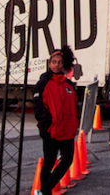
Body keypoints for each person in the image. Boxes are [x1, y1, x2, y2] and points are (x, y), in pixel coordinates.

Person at [33, 47, 79, 195]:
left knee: (67, 161)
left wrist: (75, 121)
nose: (56, 65)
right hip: (51, 130)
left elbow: (74, 106)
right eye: (53, 62)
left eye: (59, 62)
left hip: (68, 131)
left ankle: (46, 188)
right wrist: (47, 122)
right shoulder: (43, 83)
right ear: (49, 63)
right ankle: (45, 191)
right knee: (49, 163)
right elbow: (37, 105)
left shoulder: (69, 85)